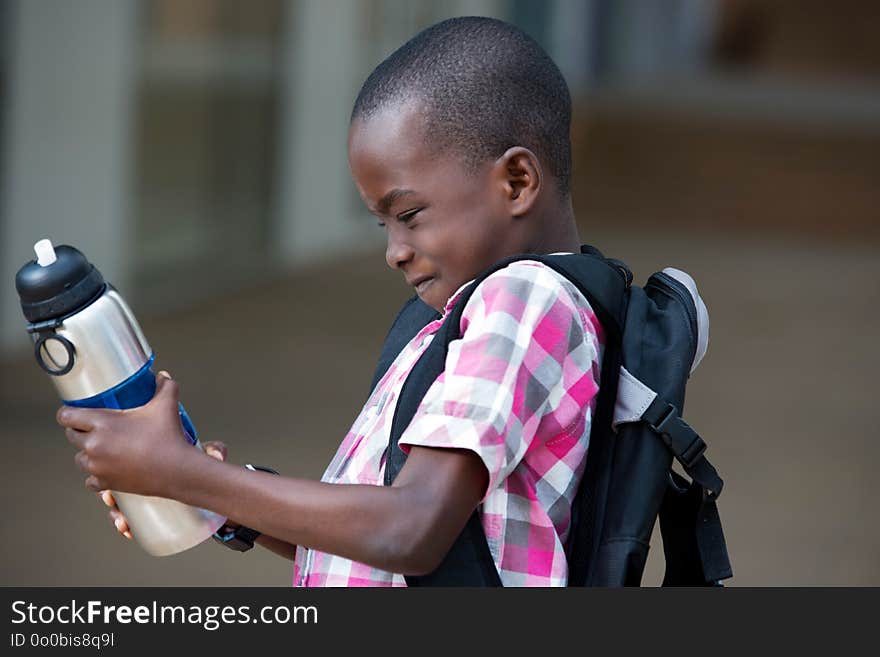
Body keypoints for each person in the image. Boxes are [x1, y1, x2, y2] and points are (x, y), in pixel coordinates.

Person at [57, 16, 605, 587]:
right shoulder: (480, 313)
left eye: (410, 215)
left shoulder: (523, 299)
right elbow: (392, 545)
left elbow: (408, 530)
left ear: (516, 181)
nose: (394, 251)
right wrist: (217, 499)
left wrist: (185, 474)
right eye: (382, 224)